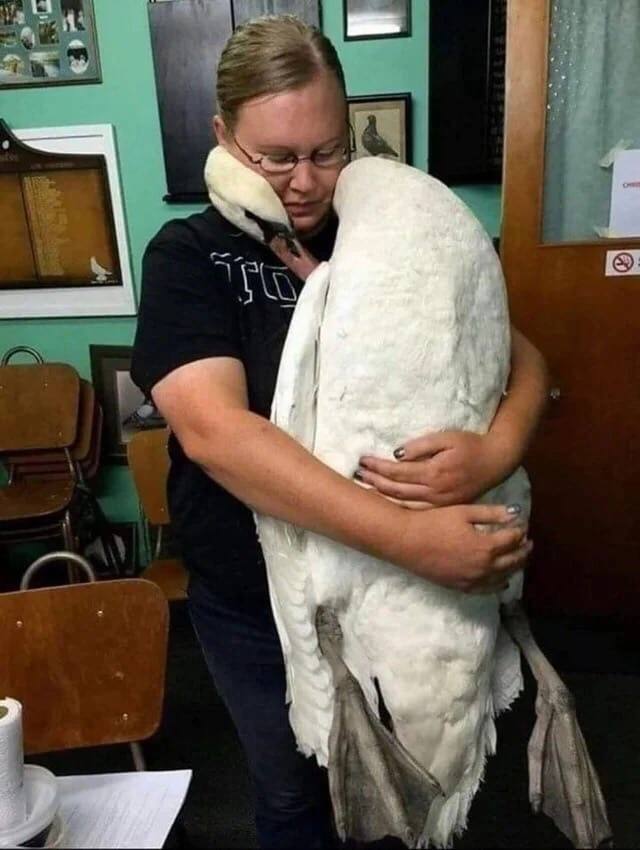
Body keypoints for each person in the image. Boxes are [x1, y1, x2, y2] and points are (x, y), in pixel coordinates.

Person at [131, 15, 548, 849]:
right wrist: (409, 537)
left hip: (402, 589)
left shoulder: (388, 230)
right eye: (274, 157)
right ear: (223, 136)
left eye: (324, 152)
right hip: (255, 595)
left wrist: (495, 453)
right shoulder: (190, 256)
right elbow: (216, 435)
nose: (303, 182)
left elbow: (524, 357)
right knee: (295, 791)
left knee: (418, 775)